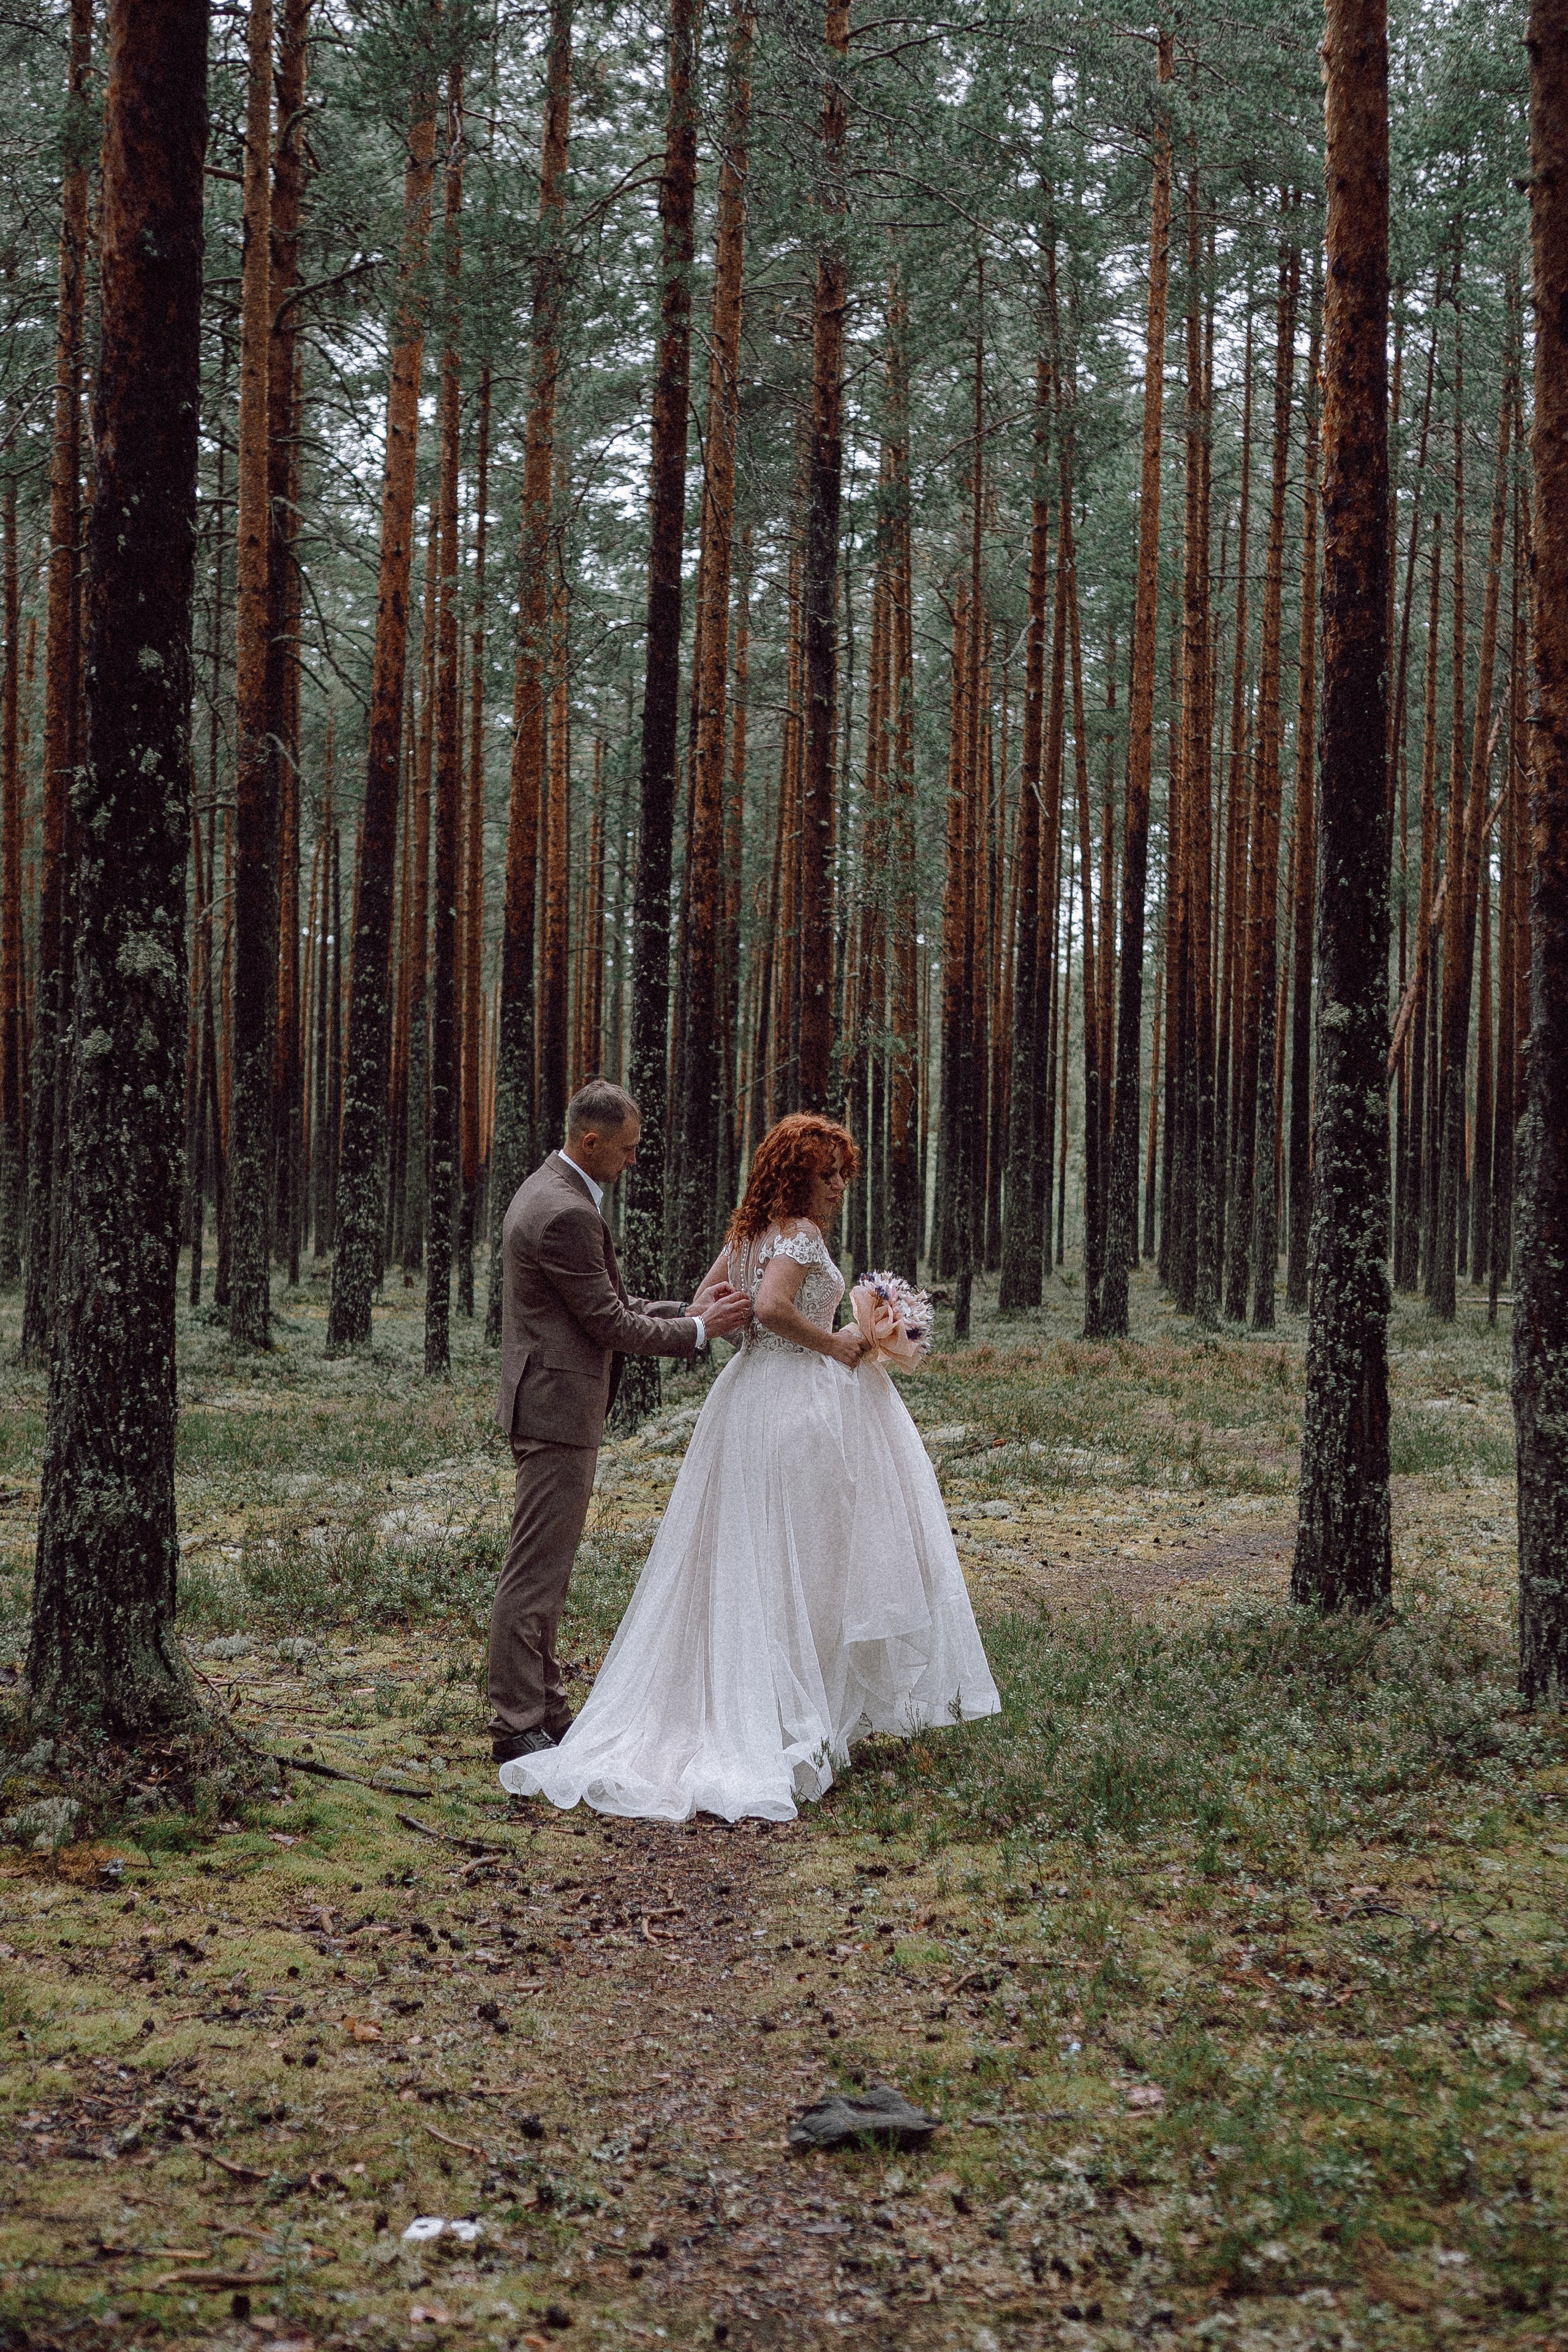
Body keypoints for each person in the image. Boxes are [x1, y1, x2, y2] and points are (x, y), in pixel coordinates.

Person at [499, 1112, 1000, 1822]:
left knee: (749, 1555)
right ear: (797, 1176)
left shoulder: (748, 1234)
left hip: (743, 1404)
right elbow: (766, 1306)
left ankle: (769, 1697)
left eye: (841, 1175)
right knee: (800, 1558)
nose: (837, 1188)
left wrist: (729, 1326)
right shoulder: (798, 1234)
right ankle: (784, 1712)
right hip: (794, 1406)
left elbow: (713, 1301)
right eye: (826, 1175)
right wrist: (836, 1343)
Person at [488, 1078, 753, 1766]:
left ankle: (544, 1708)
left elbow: (607, 1302)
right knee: (536, 1574)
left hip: (548, 1401)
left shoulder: (549, 1190)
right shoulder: (565, 1213)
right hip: (556, 1408)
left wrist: (687, 1311)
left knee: (547, 1569)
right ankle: (516, 1722)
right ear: (591, 1141)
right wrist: (698, 1330)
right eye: (628, 1150)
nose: (634, 1161)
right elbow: (607, 1323)